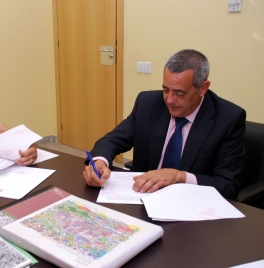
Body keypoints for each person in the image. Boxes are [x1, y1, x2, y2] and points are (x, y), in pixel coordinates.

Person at [83, 49, 246, 200]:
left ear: (203, 88)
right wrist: (99, 162)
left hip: (190, 206)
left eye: (180, 93)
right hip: (141, 198)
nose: (169, 99)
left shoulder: (228, 119)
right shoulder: (148, 103)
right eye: (166, 89)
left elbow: (228, 185)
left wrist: (179, 176)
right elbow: (112, 140)